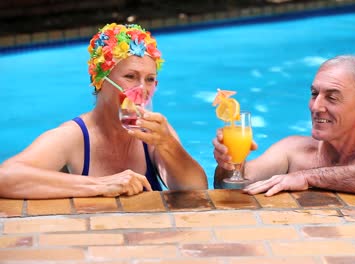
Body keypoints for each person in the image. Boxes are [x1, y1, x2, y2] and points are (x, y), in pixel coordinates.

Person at [0, 23, 207, 199]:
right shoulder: (74, 136)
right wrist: (101, 185)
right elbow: (5, 177)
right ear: (100, 81)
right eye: (130, 76)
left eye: (150, 79)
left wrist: (168, 145)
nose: (142, 89)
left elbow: (197, 189)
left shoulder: (154, 132)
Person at [213, 55, 355, 197]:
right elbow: (229, 188)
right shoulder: (292, 150)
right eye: (314, 94)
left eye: (332, 98)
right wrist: (228, 166)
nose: (316, 106)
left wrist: (307, 177)